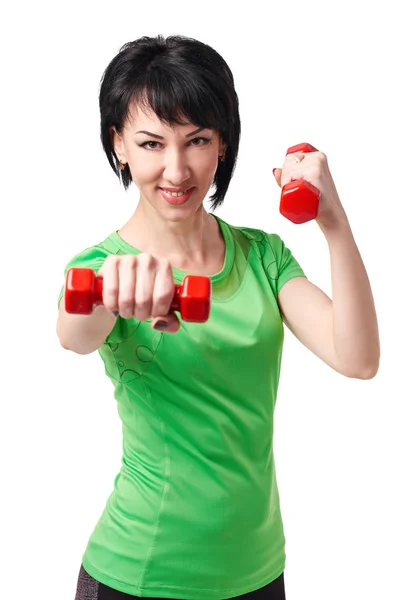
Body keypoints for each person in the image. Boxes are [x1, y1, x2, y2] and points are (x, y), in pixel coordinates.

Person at [57, 34, 380, 600]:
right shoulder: (100, 268)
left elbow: (357, 358)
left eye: (197, 140)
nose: (177, 170)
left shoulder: (263, 257)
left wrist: (334, 222)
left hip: (257, 573)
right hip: (139, 574)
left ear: (223, 145)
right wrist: (113, 292)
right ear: (120, 146)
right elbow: (74, 333)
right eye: (152, 143)